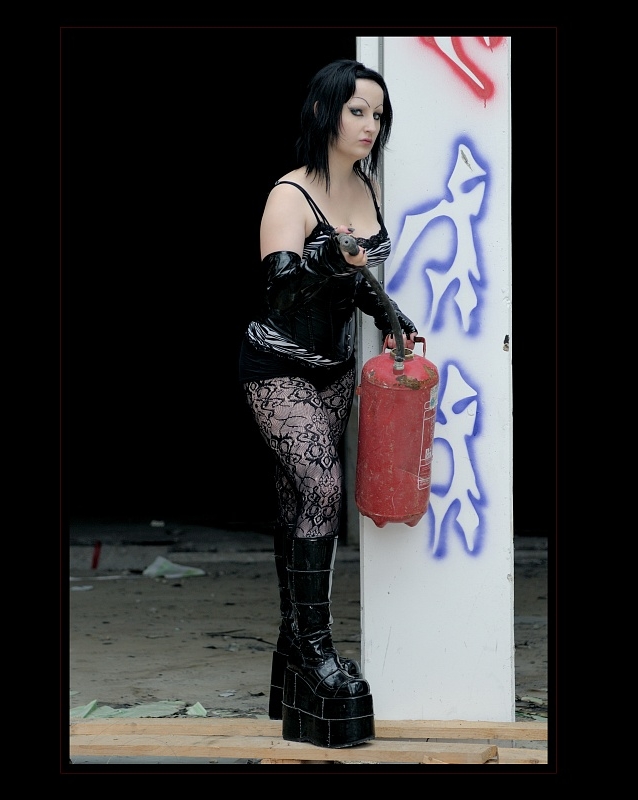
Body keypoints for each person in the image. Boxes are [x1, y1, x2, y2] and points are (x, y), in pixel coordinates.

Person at [239, 59, 419, 749]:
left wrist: (390, 313)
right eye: (357, 111)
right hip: (277, 366)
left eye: (378, 114)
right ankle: (317, 653)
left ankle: (291, 659)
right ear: (324, 112)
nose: (370, 124)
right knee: (322, 489)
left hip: (335, 370)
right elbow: (280, 291)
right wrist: (329, 257)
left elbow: (357, 277)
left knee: (297, 503)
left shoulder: (365, 185)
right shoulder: (290, 194)